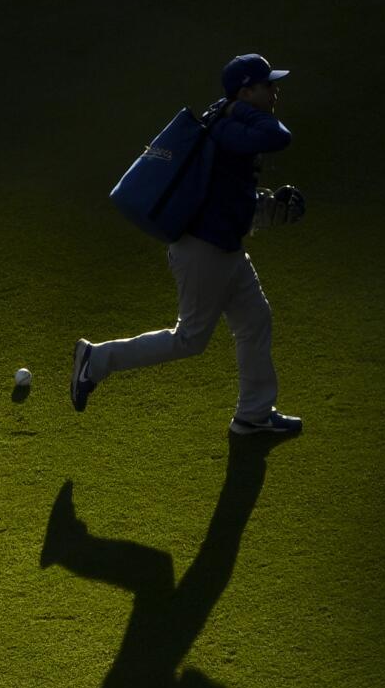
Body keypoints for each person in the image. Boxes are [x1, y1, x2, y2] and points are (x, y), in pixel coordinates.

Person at [71, 53, 309, 435]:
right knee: (190, 339)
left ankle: (253, 415)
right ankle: (96, 359)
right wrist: (241, 110)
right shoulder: (230, 127)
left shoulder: (228, 121)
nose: (275, 90)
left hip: (223, 248)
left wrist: (264, 205)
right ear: (246, 91)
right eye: (268, 84)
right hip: (203, 251)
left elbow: (229, 194)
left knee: (255, 321)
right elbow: (278, 136)